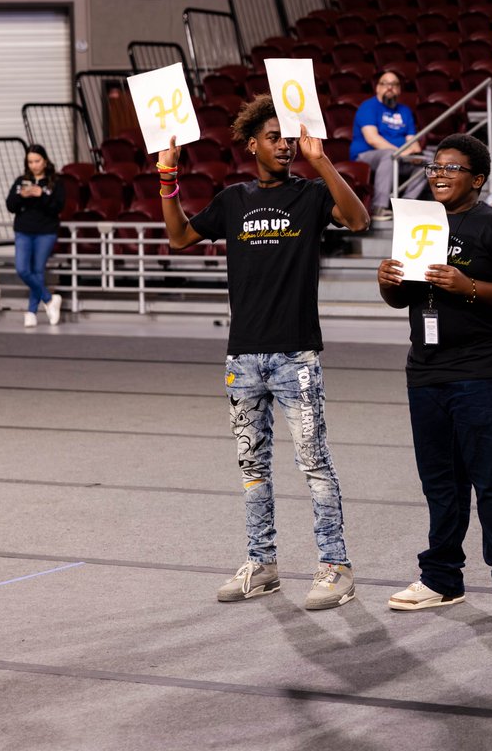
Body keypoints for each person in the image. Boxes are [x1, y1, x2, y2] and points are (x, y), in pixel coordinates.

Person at [157, 95, 370, 609]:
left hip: (296, 356)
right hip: (243, 358)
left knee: (314, 465)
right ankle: (263, 563)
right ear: (252, 144)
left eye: (288, 138)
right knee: (252, 468)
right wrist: (168, 178)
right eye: (274, 137)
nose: (285, 145)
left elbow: (358, 220)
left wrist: (321, 160)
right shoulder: (234, 200)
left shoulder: (312, 194)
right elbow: (181, 236)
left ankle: (335, 567)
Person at [376, 134, 492, 622]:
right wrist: (388, 283)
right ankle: (441, 579)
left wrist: (469, 287)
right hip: (427, 369)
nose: (439, 174)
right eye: (434, 167)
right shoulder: (418, 223)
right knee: (440, 483)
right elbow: (403, 299)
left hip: (487, 370)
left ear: (479, 178)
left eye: (452, 168)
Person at [5, 144, 65, 327]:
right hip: (23, 230)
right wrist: (22, 195)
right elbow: (10, 206)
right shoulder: (21, 181)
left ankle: (31, 312)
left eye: (37, 161)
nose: (34, 165)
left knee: (37, 271)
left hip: (45, 232)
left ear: (45, 161)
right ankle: (49, 299)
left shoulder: (55, 182)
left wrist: (41, 195)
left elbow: (58, 207)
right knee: (22, 269)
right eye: (30, 162)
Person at [350, 69, 426, 206]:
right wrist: (400, 152)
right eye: (385, 84)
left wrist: (415, 153)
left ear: (399, 90)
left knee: (427, 161)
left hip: (398, 157)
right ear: (378, 88)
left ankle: (407, 203)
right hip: (366, 156)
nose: (390, 87)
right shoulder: (368, 107)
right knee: (389, 155)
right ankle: (380, 206)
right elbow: (372, 139)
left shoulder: (405, 111)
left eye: (394, 84)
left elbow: (413, 141)